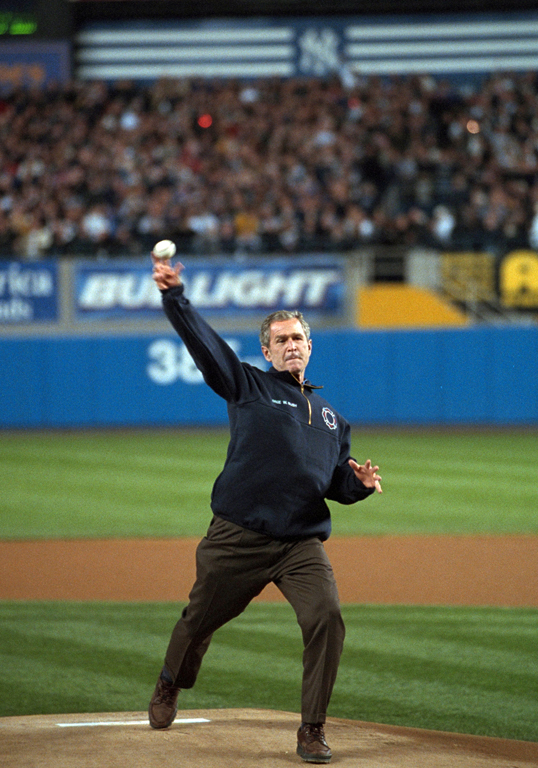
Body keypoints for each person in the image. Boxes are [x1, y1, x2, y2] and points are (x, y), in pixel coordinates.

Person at [149, 253, 382, 764]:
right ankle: (171, 680)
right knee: (198, 623)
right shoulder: (247, 386)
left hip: (299, 543)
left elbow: (332, 484)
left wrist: (357, 483)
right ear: (267, 350)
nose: (291, 345)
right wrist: (174, 296)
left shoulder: (331, 419)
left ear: (310, 346)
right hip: (238, 537)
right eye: (281, 339)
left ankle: (312, 729)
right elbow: (203, 344)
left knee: (328, 616)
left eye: (298, 338)